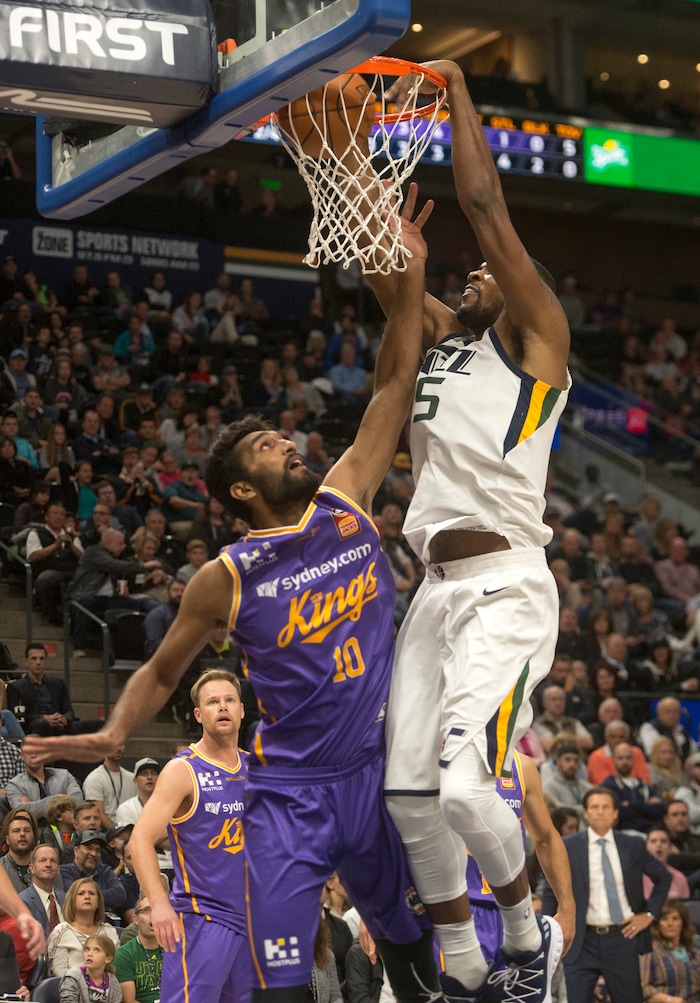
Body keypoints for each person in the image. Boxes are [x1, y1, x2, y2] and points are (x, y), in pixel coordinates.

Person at [23, 187, 444, 1003]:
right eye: (265, 445)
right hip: (287, 797)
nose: (286, 442)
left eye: (280, 436)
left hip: (370, 769)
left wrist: (411, 269)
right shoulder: (228, 574)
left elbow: (396, 377)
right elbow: (161, 666)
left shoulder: (345, 496)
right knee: (282, 982)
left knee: (411, 948)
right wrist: (113, 729)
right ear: (240, 491)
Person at [363, 59, 569, 1003]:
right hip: (434, 593)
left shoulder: (535, 347)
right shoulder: (443, 337)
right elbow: (390, 284)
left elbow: (486, 209)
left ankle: (533, 934)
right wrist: (329, 137)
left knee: (463, 791)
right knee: (409, 796)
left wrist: (449, 89)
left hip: (506, 587)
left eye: (491, 274)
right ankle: (463, 966)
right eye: (473, 274)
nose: (478, 269)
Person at [129, 670, 250, 1003]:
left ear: (242, 709)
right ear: (199, 714)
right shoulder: (183, 770)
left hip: (255, 920)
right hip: (203, 919)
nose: (222, 707)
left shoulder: (258, 768)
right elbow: (139, 840)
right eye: (212, 702)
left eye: (229, 700)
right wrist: (159, 903)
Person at [541, 787, 671, 1003]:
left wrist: (648, 915)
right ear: (585, 812)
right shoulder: (568, 846)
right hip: (582, 939)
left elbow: (664, 877)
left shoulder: (633, 844)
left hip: (622, 936)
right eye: (594, 807)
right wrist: (549, 933)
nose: (600, 812)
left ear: (615, 813)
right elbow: (549, 890)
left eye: (605, 807)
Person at [465, 753, 575, 983]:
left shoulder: (521, 766)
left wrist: (567, 907)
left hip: (514, 914)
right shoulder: (433, 758)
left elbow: (547, 838)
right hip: (456, 912)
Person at [6, 644, 97, 738]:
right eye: (34, 659)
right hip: (35, 726)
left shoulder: (58, 683)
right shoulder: (16, 687)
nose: (38, 662)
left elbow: (69, 711)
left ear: (46, 661)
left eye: (42, 659)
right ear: (26, 662)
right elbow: (19, 718)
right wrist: (43, 717)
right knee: (42, 724)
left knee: (97, 724)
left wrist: (63, 719)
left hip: (60, 725)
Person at [47, 879, 119, 977]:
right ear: (72, 900)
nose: (87, 897)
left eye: (92, 893)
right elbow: (59, 974)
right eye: (81, 893)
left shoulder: (109, 931)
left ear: (98, 901)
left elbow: (118, 968)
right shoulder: (60, 932)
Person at [640, 899, 700, 1003]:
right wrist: (669, 1000)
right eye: (664, 919)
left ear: (683, 922)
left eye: (675, 919)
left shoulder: (694, 951)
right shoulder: (650, 951)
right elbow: (642, 988)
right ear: (658, 924)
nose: (670, 924)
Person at [59, 831, 127, 921]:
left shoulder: (105, 871)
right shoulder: (65, 871)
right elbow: (72, 897)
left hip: (109, 926)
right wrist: (103, 898)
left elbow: (120, 895)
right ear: (76, 851)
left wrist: (88, 897)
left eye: (98, 850)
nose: (94, 854)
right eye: (89, 848)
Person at [113, 894, 162, 1003]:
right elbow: (129, 1001)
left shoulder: (176, 951)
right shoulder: (123, 955)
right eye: (147, 910)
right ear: (135, 919)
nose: (153, 915)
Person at [59, 933, 123, 1003]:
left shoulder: (112, 981)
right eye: (87, 949)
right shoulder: (73, 977)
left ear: (108, 959)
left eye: (96, 950)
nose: (89, 954)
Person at [19, 844, 66, 938]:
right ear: (32, 868)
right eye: (42, 860)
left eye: (53, 861)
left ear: (58, 869)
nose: (48, 865)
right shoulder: (22, 901)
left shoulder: (66, 899)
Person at [82, 748, 135, 831]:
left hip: (131, 830)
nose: (118, 748)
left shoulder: (132, 778)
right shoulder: (94, 779)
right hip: (106, 833)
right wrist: (119, 833)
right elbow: (99, 814)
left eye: (121, 745)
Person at [643, 827, 690, 900]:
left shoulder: (680, 878)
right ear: (646, 847)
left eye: (663, 841)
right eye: (653, 841)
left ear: (670, 848)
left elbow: (684, 908)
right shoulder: (638, 878)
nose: (658, 845)